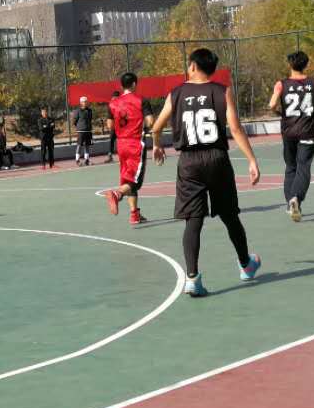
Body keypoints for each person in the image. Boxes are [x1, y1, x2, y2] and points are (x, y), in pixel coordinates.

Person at [150, 48, 261, 297]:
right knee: (230, 216)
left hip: (189, 162)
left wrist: (157, 144)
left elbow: (156, 127)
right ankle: (246, 265)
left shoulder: (176, 93)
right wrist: (252, 160)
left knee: (193, 220)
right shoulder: (222, 91)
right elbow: (235, 128)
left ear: (192, 66)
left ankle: (192, 278)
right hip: (217, 159)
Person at [269, 50, 314, 223]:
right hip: (307, 131)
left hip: (289, 132)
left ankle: (290, 202)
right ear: (306, 65)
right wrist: (312, 110)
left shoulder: (281, 84)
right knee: (304, 167)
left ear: (290, 64)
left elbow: (271, 104)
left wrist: (280, 113)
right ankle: (296, 198)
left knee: (291, 167)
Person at [105, 74, 153, 225]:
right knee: (135, 181)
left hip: (121, 144)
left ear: (121, 86)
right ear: (134, 84)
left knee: (127, 178)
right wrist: (144, 126)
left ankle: (134, 214)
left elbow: (110, 125)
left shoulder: (113, 103)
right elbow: (150, 121)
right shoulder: (141, 100)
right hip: (135, 143)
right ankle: (117, 194)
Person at [72, 95, 95, 166]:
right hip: (81, 131)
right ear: (81, 102)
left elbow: (90, 119)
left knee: (87, 146)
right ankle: (77, 160)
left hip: (88, 131)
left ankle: (86, 160)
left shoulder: (90, 110)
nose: (85, 103)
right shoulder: (77, 111)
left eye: (86, 102)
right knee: (79, 145)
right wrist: (79, 127)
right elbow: (74, 121)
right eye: (84, 102)